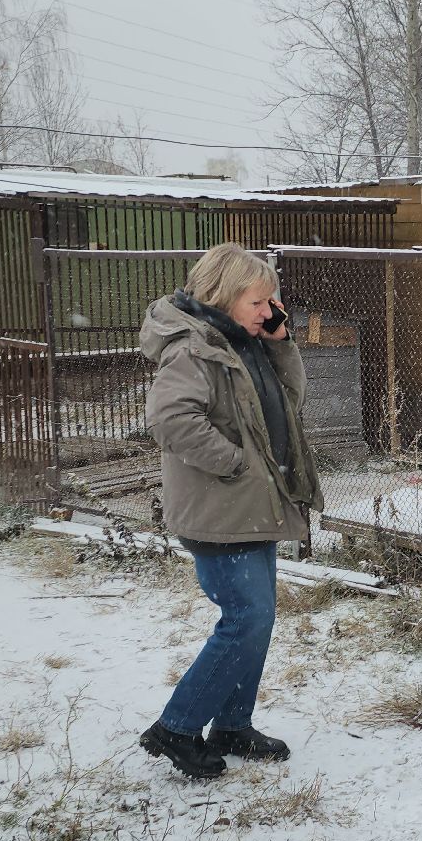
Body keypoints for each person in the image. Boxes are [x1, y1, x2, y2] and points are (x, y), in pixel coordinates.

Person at [135, 243, 320, 779]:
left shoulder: (245, 342)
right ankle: (176, 727)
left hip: (250, 506)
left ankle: (233, 725)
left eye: (272, 303)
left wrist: (280, 341)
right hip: (222, 508)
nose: (270, 311)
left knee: (256, 620)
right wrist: (235, 463)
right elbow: (170, 419)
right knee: (247, 619)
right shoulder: (194, 349)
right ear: (225, 295)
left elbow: (292, 399)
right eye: (261, 301)